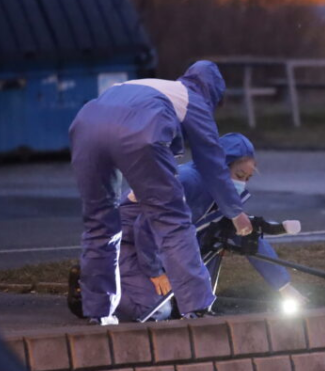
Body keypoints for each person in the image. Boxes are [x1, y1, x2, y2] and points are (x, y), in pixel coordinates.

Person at [69, 61, 253, 325]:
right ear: (212, 93)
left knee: (100, 222)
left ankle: (98, 309)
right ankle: (197, 307)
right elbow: (212, 162)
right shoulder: (194, 100)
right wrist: (236, 213)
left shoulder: (150, 85)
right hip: (141, 129)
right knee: (171, 219)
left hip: (86, 126)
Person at [116, 133, 307, 322]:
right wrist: (155, 272)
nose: (241, 183)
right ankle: (95, 292)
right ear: (220, 168)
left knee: (188, 294)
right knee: (153, 310)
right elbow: (145, 225)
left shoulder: (224, 197)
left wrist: (284, 287)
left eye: (247, 178)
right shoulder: (188, 181)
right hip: (129, 242)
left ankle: (188, 308)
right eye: (239, 175)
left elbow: (247, 234)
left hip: (157, 244)